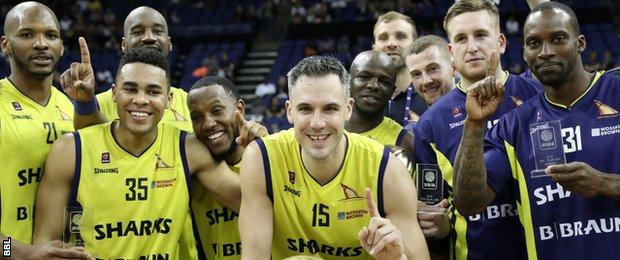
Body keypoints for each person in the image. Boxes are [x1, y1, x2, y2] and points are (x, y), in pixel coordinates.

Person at [34, 45, 243, 259]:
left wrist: (258, 149)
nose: (141, 100)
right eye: (131, 89)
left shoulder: (188, 149)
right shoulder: (70, 150)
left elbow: (249, 200)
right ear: (114, 93)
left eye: (153, 91)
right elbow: (43, 246)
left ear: (169, 100)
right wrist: (8, 249)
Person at [453, 2, 620, 259]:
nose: (545, 52)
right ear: (524, 53)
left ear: (580, 43)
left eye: (558, 39)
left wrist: (605, 183)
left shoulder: (619, 94)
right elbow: (468, 203)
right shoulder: (514, 125)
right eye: (534, 43)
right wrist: (474, 124)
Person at [238, 55, 429, 260]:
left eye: (330, 108)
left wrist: (396, 259)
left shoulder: (387, 170)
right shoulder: (262, 158)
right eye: (305, 109)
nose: (317, 123)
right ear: (289, 111)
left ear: (348, 109)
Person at [410, 1, 544, 259]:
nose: (471, 47)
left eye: (481, 35)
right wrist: (438, 226)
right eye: (461, 39)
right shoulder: (430, 125)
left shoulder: (539, 99)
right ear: (451, 51)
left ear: (501, 42)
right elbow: (435, 211)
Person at [0, 2, 91, 259]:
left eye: (51, 35)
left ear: (61, 47)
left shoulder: (70, 106)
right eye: (27, 34)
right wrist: (22, 253)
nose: (41, 43)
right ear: (6, 44)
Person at [61, 6, 192, 133]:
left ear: (169, 44)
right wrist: (85, 104)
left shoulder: (189, 103)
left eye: (157, 31)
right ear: (123, 45)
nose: (149, 37)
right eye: (138, 32)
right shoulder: (95, 106)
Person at [188, 76, 268, 259]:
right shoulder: (191, 169)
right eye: (196, 117)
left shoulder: (272, 158)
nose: (208, 123)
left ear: (239, 109)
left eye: (217, 110)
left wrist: (268, 151)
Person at [345, 50, 413, 154]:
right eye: (364, 77)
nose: (373, 85)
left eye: (384, 81)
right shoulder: (326, 129)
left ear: (392, 91)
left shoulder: (406, 143)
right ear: (348, 82)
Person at [372, 11, 428, 126]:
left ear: (415, 45)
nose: (391, 44)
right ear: (374, 48)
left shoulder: (431, 96)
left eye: (400, 36)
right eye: (383, 38)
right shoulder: (362, 100)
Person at [405, 35, 455, 107]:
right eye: (417, 74)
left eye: (433, 69)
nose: (426, 81)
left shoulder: (474, 104)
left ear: (453, 66)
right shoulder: (406, 113)